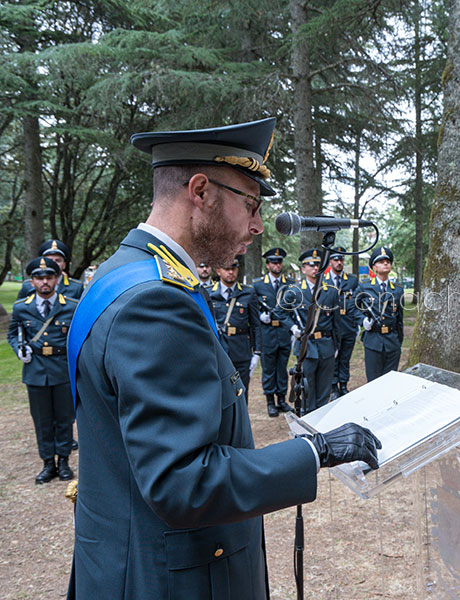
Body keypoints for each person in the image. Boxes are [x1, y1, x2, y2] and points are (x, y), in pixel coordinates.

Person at [67, 118, 381, 599]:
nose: (257, 225)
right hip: (171, 578)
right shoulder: (157, 300)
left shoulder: (126, 271)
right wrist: (314, 452)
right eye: (250, 204)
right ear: (200, 190)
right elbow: (182, 481)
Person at [8, 257, 77, 484]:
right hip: (36, 371)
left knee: (64, 418)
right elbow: (13, 334)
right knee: (42, 420)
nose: (44, 282)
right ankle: (48, 463)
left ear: (57, 279)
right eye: (39, 278)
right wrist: (20, 350)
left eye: (49, 277)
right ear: (32, 281)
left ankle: (64, 461)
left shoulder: (71, 306)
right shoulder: (21, 308)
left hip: (62, 369)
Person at [285, 248, 339, 413]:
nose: (315, 268)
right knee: (307, 389)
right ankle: (308, 421)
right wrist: (293, 327)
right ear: (303, 269)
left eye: (317, 265)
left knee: (324, 390)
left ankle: (320, 423)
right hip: (306, 348)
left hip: (326, 345)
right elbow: (280, 312)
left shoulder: (330, 290)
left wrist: (336, 346)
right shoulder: (295, 291)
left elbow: (336, 321)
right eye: (310, 265)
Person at [253, 247, 295, 416]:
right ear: (268, 264)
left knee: (282, 368)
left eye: (279, 262)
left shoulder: (290, 284)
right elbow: (252, 307)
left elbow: (293, 309)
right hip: (267, 332)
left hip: (284, 332)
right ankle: (270, 401)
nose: (277, 265)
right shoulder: (258, 285)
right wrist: (259, 316)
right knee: (269, 369)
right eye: (273, 262)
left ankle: (282, 400)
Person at [209, 259, 260, 392]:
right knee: (220, 391)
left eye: (234, 268)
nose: (231, 272)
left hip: (241, 349)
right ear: (218, 271)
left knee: (242, 391)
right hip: (218, 349)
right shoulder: (209, 293)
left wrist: (257, 352)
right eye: (227, 269)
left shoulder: (248, 292)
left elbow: (256, 325)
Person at [356, 247, 404, 381]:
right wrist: (363, 321)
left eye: (387, 261)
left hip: (392, 341)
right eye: (381, 262)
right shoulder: (364, 286)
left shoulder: (398, 290)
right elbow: (351, 307)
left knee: (390, 381)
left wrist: (399, 340)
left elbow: (400, 318)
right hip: (373, 340)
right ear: (374, 267)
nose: (385, 263)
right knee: (374, 381)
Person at [326, 247, 362, 397]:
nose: (339, 262)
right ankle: (334, 387)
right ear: (330, 262)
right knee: (334, 358)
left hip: (348, 325)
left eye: (341, 259)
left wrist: (358, 323)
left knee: (345, 358)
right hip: (332, 326)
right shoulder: (324, 280)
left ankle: (344, 384)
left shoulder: (352, 280)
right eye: (336, 259)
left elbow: (358, 301)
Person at [17, 239, 84, 300]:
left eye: (57, 260)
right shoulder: (28, 286)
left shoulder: (76, 288)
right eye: (49, 260)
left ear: (64, 265)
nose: (54, 264)